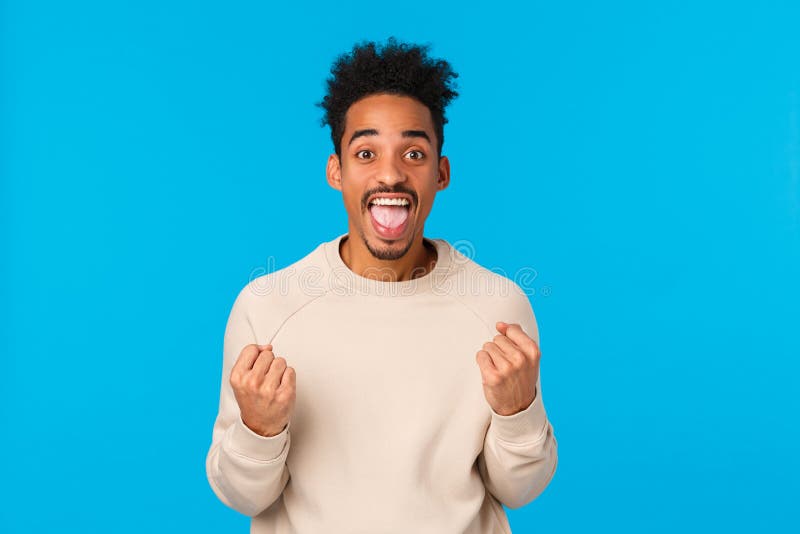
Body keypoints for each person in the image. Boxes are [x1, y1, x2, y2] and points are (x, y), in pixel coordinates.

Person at [205, 37, 558, 533]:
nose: (390, 174)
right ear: (337, 171)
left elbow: (520, 490)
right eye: (366, 152)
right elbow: (240, 495)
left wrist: (518, 413)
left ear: (441, 172)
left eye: (413, 152)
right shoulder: (267, 308)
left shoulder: (498, 307)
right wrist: (259, 431)